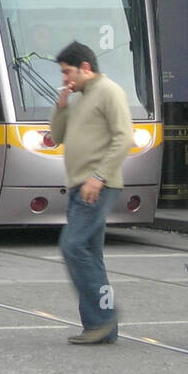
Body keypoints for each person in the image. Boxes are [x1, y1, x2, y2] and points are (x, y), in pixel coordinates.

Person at [51, 40, 133, 345]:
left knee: (72, 246)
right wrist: (61, 106)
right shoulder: (80, 97)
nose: (65, 78)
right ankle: (101, 326)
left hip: (96, 185)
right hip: (79, 185)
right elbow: (58, 136)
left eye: (68, 72)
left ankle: (103, 317)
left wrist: (98, 177)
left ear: (86, 67)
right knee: (91, 255)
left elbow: (124, 138)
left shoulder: (109, 92)